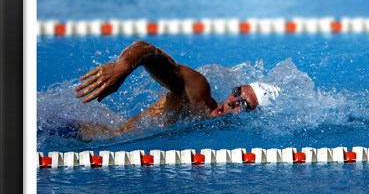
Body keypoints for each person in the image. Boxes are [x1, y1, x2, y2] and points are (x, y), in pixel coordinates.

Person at [74, 40, 280, 138]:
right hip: (81, 134)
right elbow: (147, 49)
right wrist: (124, 66)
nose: (231, 102)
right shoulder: (198, 95)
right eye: (236, 92)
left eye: (242, 104)